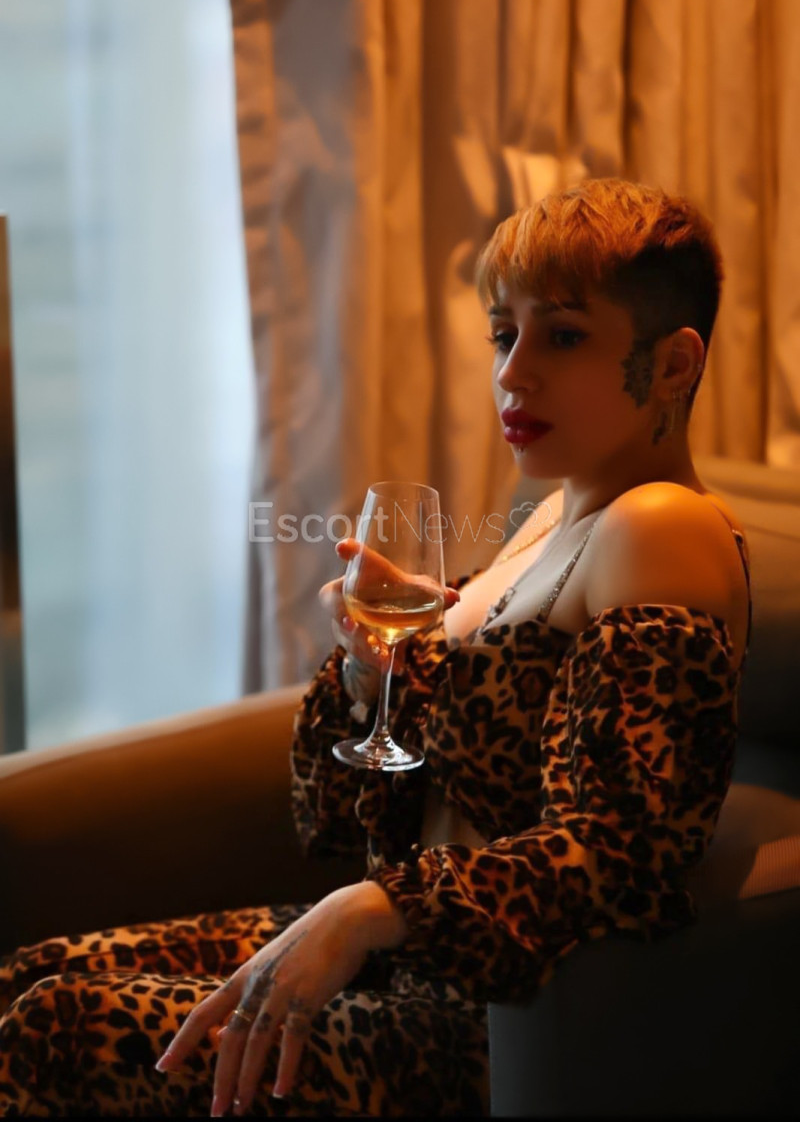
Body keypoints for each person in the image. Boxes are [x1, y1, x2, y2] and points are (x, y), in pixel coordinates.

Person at [0, 178, 752, 1116]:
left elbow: (625, 852)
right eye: (503, 335)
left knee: (60, 1026)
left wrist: (373, 907)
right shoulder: (546, 520)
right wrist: (372, 670)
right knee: (31, 974)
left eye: (562, 337)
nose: (512, 375)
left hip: (474, 1019)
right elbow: (349, 811)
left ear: (673, 364)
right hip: (403, 962)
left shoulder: (662, 526)